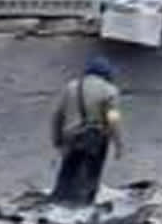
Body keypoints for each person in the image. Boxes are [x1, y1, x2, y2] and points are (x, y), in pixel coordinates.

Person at [49, 57, 124, 205]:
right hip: (95, 138)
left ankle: (57, 204)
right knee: (91, 175)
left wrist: (57, 140)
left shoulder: (70, 87)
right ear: (106, 74)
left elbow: (57, 115)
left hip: (70, 137)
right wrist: (118, 144)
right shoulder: (109, 91)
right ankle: (84, 207)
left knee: (67, 173)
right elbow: (113, 119)